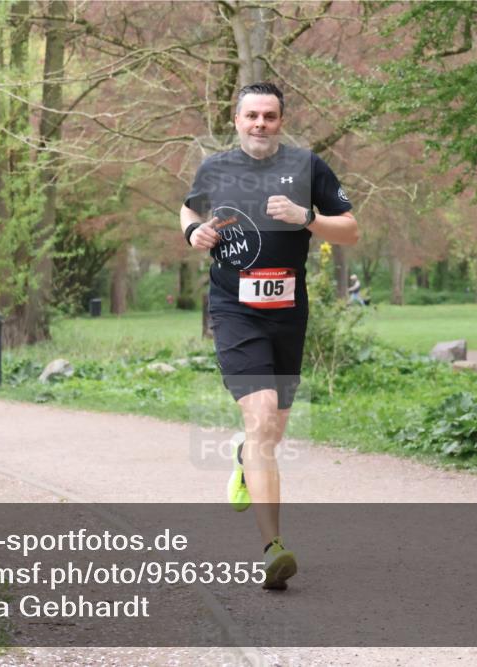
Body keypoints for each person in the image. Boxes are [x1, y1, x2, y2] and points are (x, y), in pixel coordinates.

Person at [181, 82, 358, 590]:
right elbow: (190, 209)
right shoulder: (215, 168)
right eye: (251, 115)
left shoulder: (308, 167)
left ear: (281, 121)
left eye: (270, 116)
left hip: (287, 312)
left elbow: (350, 229)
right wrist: (193, 232)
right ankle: (272, 549)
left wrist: (308, 218)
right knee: (260, 420)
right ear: (236, 121)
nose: (260, 123)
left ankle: (244, 457)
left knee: (270, 433)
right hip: (234, 309)